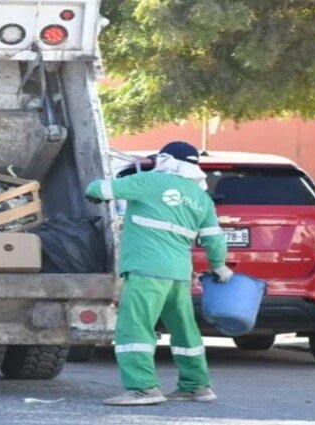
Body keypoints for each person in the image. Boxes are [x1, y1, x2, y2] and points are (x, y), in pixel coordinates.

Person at [85, 141, 232, 406]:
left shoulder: (150, 181)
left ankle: (143, 388)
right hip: (178, 274)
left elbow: (99, 188)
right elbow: (214, 239)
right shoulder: (202, 198)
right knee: (184, 329)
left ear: (165, 159)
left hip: (146, 269)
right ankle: (196, 385)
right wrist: (219, 267)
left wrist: (95, 190)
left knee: (135, 326)